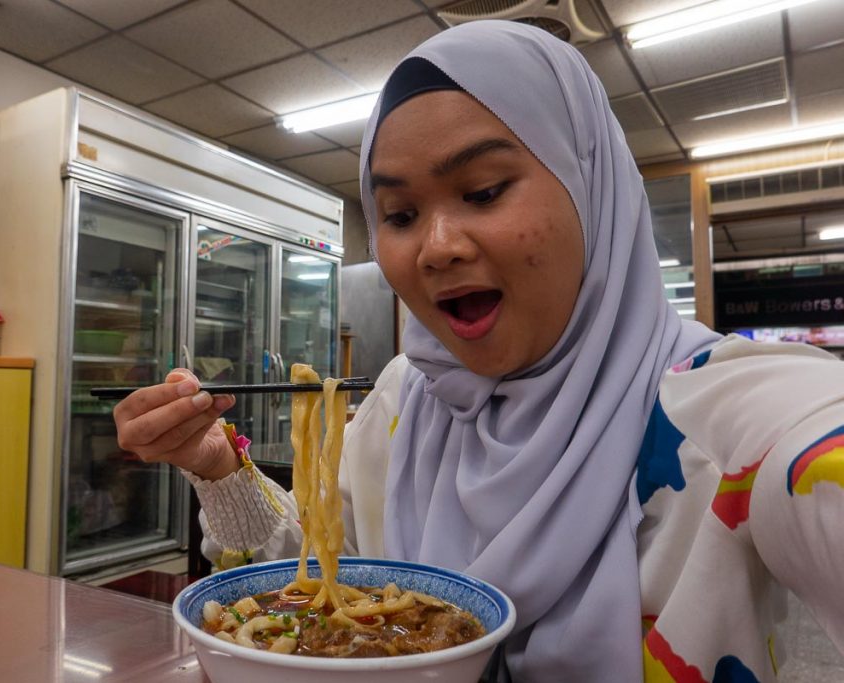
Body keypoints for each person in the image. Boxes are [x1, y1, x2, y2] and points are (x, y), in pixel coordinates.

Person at [113, 21, 844, 682]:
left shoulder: (721, 407)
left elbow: (815, 455)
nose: (435, 247)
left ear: (589, 185)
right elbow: (315, 583)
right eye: (398, 214)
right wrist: (217, 464)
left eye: (485, 190)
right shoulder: (407, 397)